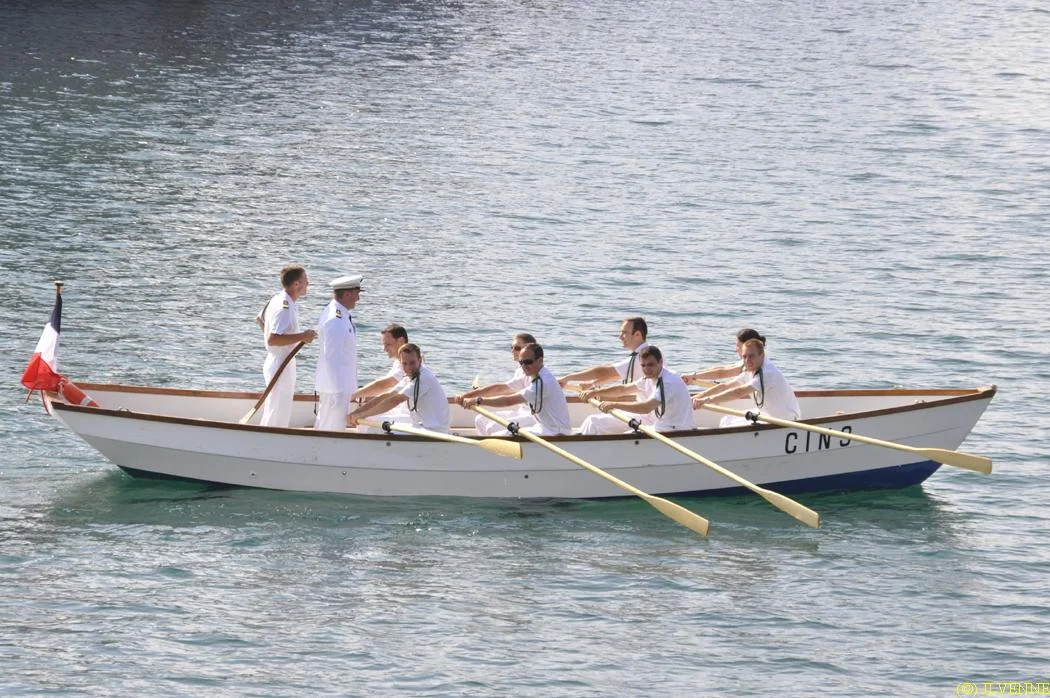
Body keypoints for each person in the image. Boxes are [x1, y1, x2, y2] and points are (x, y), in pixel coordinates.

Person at [578, 346, 694, 435]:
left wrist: (614, 404)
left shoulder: (668, 382)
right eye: (643, 365)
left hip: (675, 430)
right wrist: (595, 392)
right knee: (593, 421)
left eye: (651, 365)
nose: (647, 369)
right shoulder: (649, 377)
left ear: (661, 363)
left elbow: (646, 407)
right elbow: (622, 390)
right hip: (660, 425)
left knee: (623, 439)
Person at [461, 342, 571, 436]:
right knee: (484, 422)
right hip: (542, 427)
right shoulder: (533, 375)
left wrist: (478, 401)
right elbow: (502, 388)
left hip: (556, 432)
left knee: (498, 436)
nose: (524, 366)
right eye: (521, 362)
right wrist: (470, 395)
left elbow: (508, 401)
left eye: (528, 362)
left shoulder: (543, 383)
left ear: (540, 361)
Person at [256, 264, 317, 427]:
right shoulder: (284, 306)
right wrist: (303, 336)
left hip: (280, 360)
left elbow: (260, 319)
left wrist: (287, 342)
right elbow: (273, 339)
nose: (308, 284)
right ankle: (269, 443)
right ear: (296, 284)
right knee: (278, 410)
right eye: (306, 281)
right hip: (280, 362)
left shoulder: (278, 299)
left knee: (276, 407)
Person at [691, 338, 801, 427]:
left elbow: (738, 392)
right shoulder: (751, 369)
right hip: (767, 415)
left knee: (729, 426)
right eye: (744, 357)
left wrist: (706, 401)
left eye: (751, 356)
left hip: (786, 420)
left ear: (762, 355)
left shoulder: (768, 373)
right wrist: (697, 398)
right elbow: (725, 386)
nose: (747, 361)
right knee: (726, 420)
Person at [347, 343, 450, 433]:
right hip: (420, 424)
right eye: (404, 363)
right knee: (368, 421)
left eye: (412, 363)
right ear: (400, 363)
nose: (409, 367)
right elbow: (387, 396)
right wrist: (357, 413)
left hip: (433, 430)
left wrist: (362, 415)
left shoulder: (423, 378)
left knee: (370, 427)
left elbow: (395, 401)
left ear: (420, 360)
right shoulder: (410, 376)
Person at [453, 332, 537, 436]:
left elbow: (502, 392)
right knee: (480, 420)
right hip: (521, 411)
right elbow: (502, 389)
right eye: (512, 347)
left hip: (533, 416)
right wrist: (469, 396)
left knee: (492, 427)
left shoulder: (533, 372)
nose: (512, 351)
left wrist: (474, 398)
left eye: (517, 348)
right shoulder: (520, 370)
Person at [313, 275, 362, 431]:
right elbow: (331, 356)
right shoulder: (336, 318)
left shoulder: (339, 313)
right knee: (332, 427)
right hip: (336, 386)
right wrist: (337, 390)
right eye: (356, 293)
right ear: (347, 294)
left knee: (328, 424)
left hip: (339, 384)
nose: (358, 298)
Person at [558, 317, 650, 389]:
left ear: (637, 334)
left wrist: (567, 378)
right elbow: (617, 374)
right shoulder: (649, 350)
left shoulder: (642, 356)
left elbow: (602, 372)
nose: (620, 337)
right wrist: (592, 384)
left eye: (624, 333)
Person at [682, 328, 765, 386]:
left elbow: (721, 373)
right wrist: (694, 376)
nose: (736, 350)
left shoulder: (753, 364)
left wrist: (694, 376)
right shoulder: (751, 360)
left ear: (746, 346)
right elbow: (722, 370)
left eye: (738, 346)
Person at [351, 323, 410, 402]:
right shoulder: (397, 362)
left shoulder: (409, 363)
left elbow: (383, 385)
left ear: (401, 341)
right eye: (383, 345)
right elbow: (385, 388)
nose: (384, 349)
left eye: (388, 344)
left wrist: (354, 395)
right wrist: (362, 396)